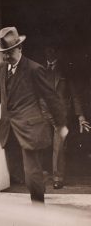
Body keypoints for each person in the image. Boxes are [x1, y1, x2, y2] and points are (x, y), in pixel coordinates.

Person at [0, 27, 68, 203]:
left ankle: (38, 208)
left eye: (10, 52)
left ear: (20, 48)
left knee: (31, 174)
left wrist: (61, 125)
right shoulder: (0, 69)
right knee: (18, 174)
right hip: (9, 129)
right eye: (4, 53)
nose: (6, 56)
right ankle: (40, 179)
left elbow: (51, 98)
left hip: (30, 129)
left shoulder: (34, 69)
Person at [41, 44, 90, 189]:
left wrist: (81, 116)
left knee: (59, 146)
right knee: (38, 143)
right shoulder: (38, 69)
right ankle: (38, 174)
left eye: (53, 48)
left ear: (57, 51)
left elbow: (75, 95)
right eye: (47, 48)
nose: (49, 51)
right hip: (42, 112)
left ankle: (58, 178)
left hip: (60, 116)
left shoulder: (66, 71)